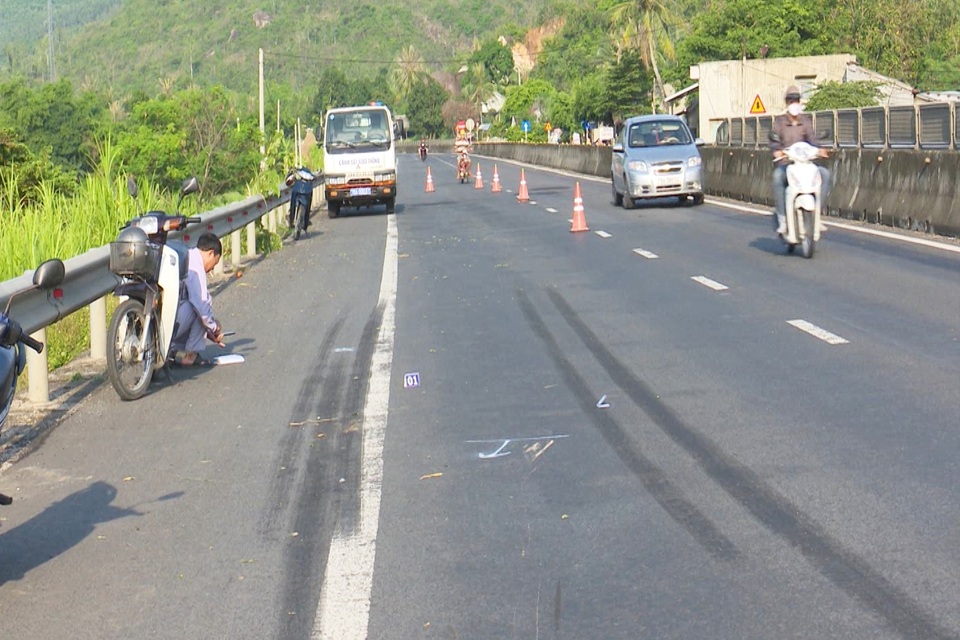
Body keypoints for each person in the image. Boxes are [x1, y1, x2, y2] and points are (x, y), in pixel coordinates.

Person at [770, 85, 831, 235]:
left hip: (805, 165)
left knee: (824, 174)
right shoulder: (779, 122)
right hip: (787, 165)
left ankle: (817, 215)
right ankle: (783, 219)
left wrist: (820, 149)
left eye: (796, 100)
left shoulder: (806, 121)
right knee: (777, 177)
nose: (794, 103)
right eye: (791, 100)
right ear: (786, 103)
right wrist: (777, 152)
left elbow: (813, 140)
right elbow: (774, 141)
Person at [169, 232, 224, 367]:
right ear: (210, 253)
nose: (212, 268)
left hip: (165, 316)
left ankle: (174, 351)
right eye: (215, 263)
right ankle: (189, 356)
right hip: (170, 322)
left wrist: (209, 331)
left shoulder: (186, 255)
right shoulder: (196, 266)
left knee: (198, 307)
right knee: (200, 308)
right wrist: (214, 327)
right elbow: (201, 307)